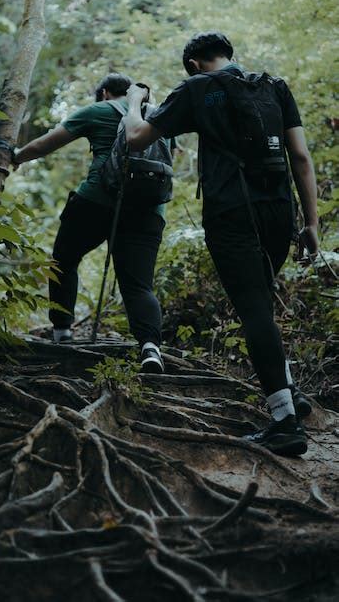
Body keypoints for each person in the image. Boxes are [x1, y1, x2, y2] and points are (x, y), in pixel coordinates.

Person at [124, 32, 318, 456]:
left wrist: (134, 101)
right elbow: (300, 157)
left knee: (252, 309)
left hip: (232, 213)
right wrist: (312, 223)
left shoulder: (197, 88)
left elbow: (136, 138)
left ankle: (285, 421)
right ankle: (290, 391)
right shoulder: (274, 87)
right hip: (279, 213)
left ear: (193, 64)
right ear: (228, 56)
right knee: (261, 302)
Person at [13, 73, 166, 373]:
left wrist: (16, 156)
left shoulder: (99, 110)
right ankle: (150, 347)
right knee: (138, 285)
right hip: (149, 209)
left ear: (106, 93)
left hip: (97, 201)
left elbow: (46, 144)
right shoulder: (158, 115)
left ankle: (62, 333)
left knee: (63, 261)